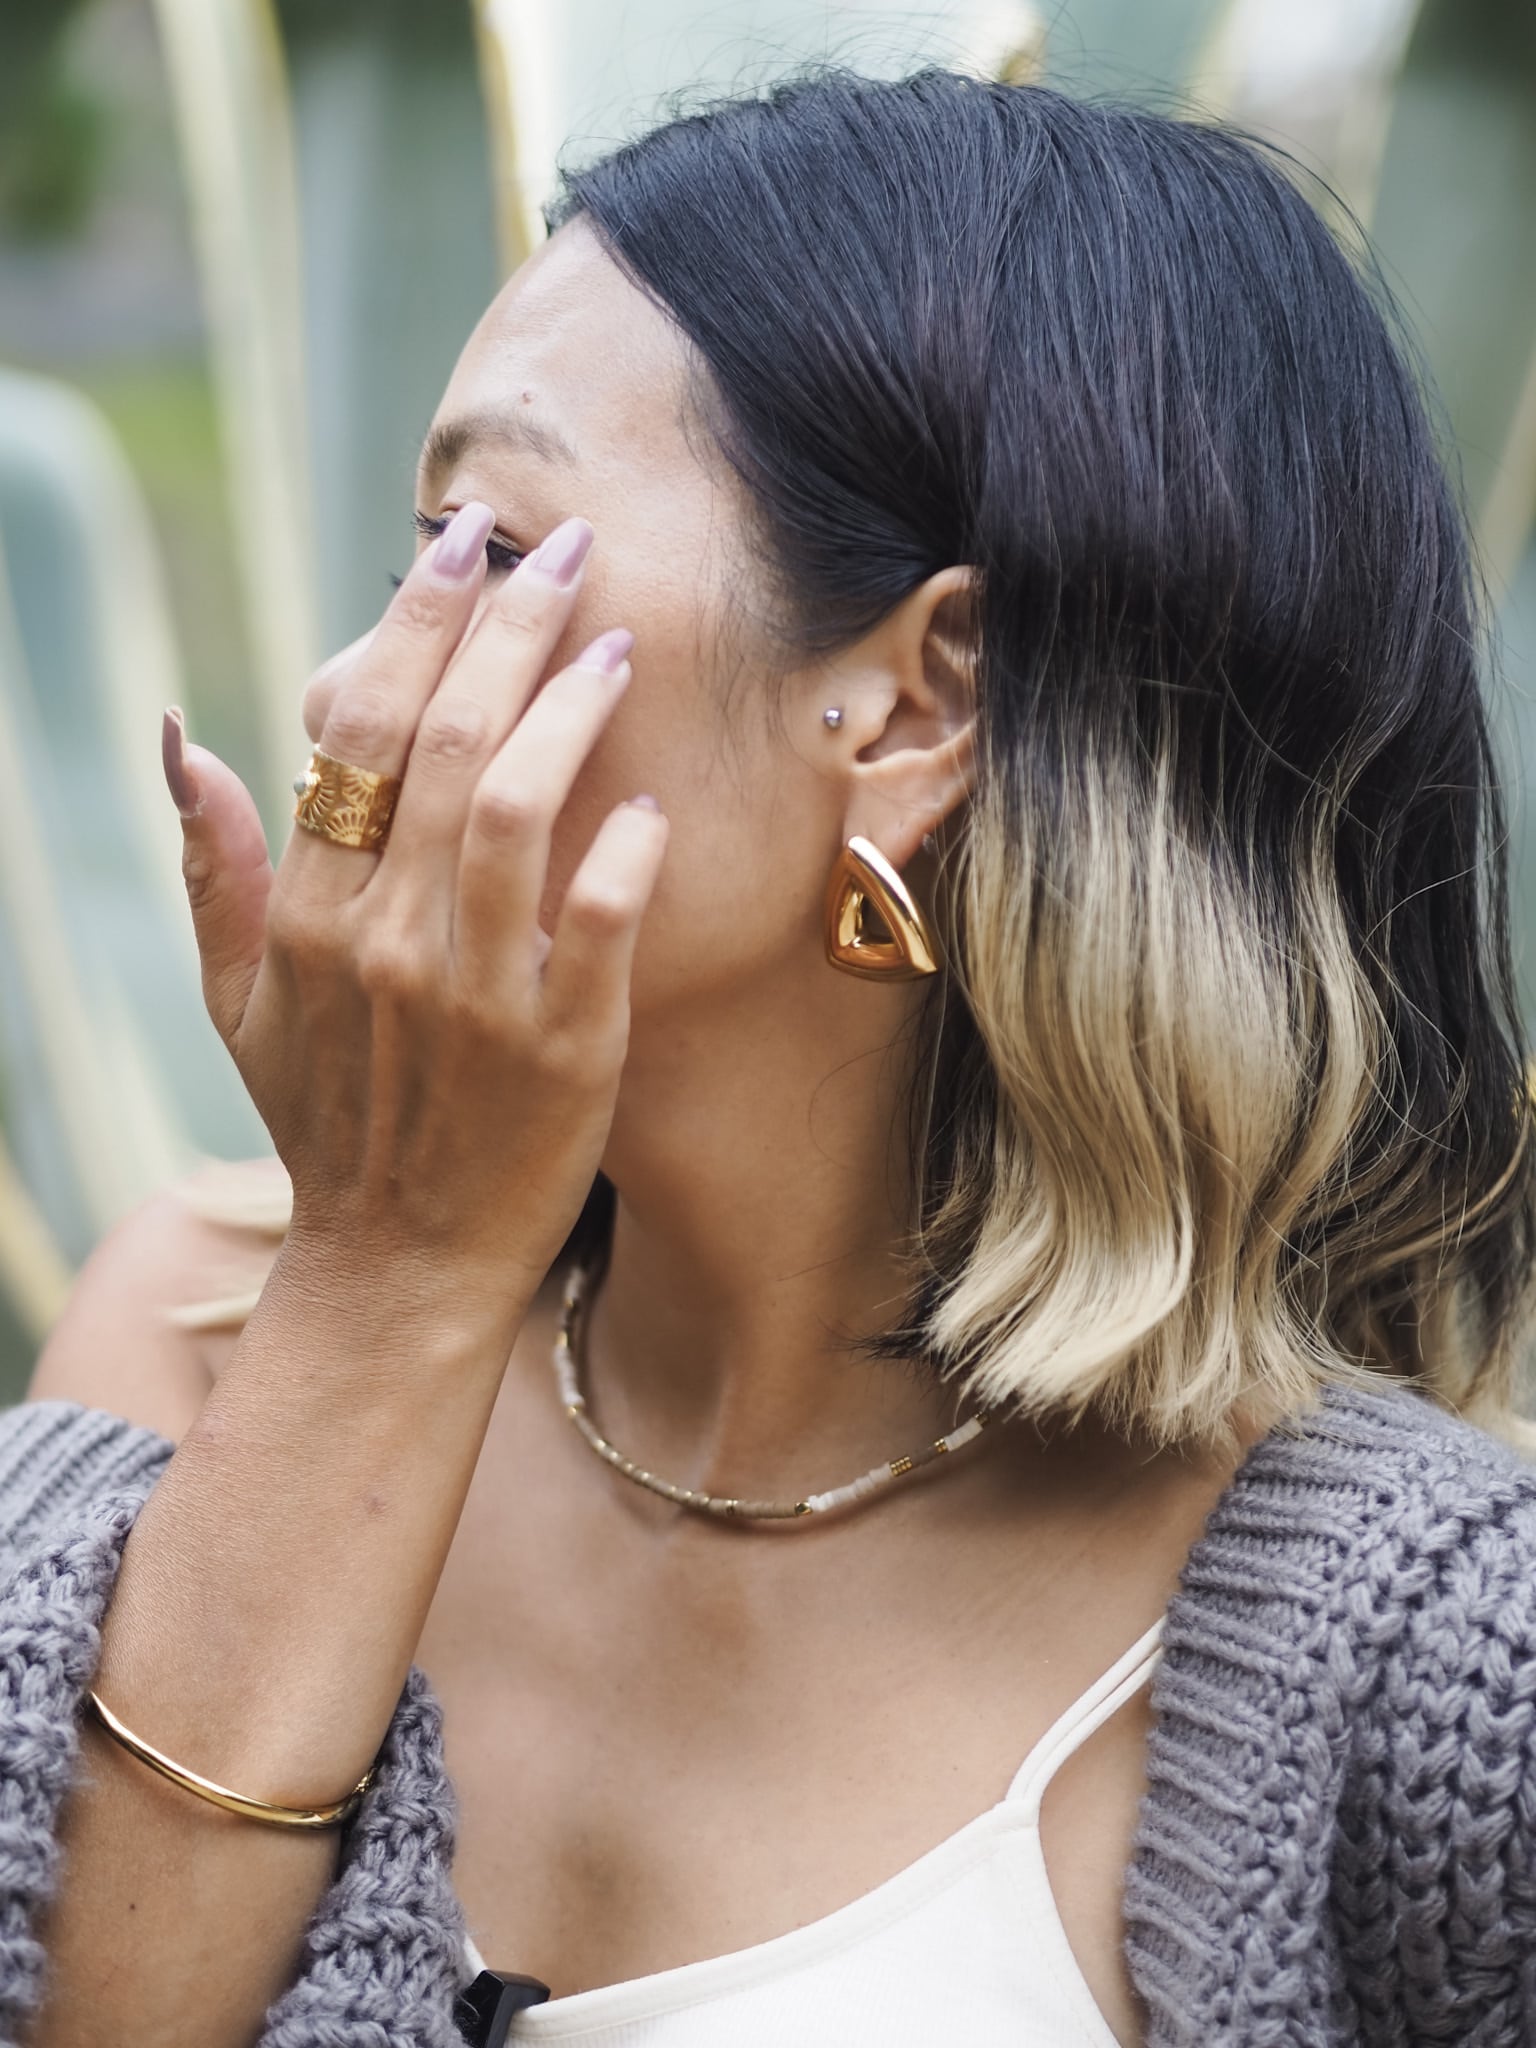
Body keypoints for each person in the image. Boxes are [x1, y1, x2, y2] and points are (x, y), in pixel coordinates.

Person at [4, 67, 1535, 2048]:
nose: (352, 686)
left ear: (921, 704)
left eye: (492, 547)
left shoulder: (1425, 1677)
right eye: (416, 552)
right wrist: (380, 1283)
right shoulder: (196, 1353)